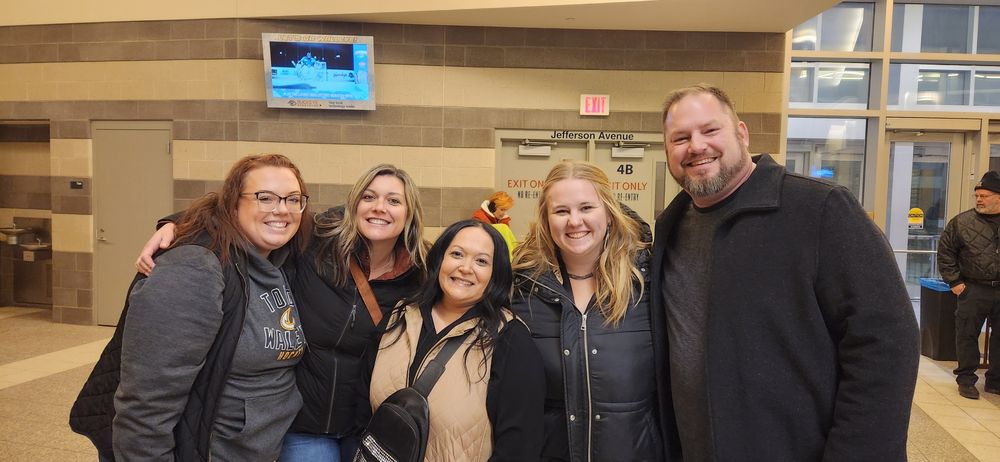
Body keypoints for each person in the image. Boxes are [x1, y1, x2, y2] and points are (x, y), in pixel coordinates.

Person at [652, 84, 919, 460]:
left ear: (742, 133)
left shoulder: (820, 210)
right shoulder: (672, 226)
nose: (696, 146)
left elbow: (887, 343)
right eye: (680, 138)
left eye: (710, 130)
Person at [136, 164, 428, 462]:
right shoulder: (317, 241)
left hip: (367, 425)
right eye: (368, 197)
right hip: (305, 426)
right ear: (354, 204)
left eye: (394, 200)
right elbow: (251, 217)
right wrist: (175, 225)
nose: (379, 207)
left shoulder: (421, 275)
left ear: (410, 214)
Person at [71, 154, 312, 461]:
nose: (282, 209)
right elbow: (146, 405)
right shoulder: (193, 269)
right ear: (233, 205)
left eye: (293, 199)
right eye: (265, 197)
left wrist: (176, 220)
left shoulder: (281, 259)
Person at [511, 160, 674, 462]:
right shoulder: (521, 289)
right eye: (561, 211)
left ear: (609, 213)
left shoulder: (648, 282)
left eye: (586, 208)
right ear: (546, 220)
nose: (575, 221)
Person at [365, 220, 545, 461]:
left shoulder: (510, 338)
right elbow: (361, 410)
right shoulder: (400, 316)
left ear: (495, 274)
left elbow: (520, 446)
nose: (465, 268)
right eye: (457, 254)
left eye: (481, 261)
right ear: (440, 259)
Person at [937, 170, 1000, 400]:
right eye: (977, 196)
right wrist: (954, 281)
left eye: (984, 196)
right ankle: (966, 380)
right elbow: (945, 252)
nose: (979, 200)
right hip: (973, 288)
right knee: (967, 335)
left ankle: (995, 381)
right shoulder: (961, 222)